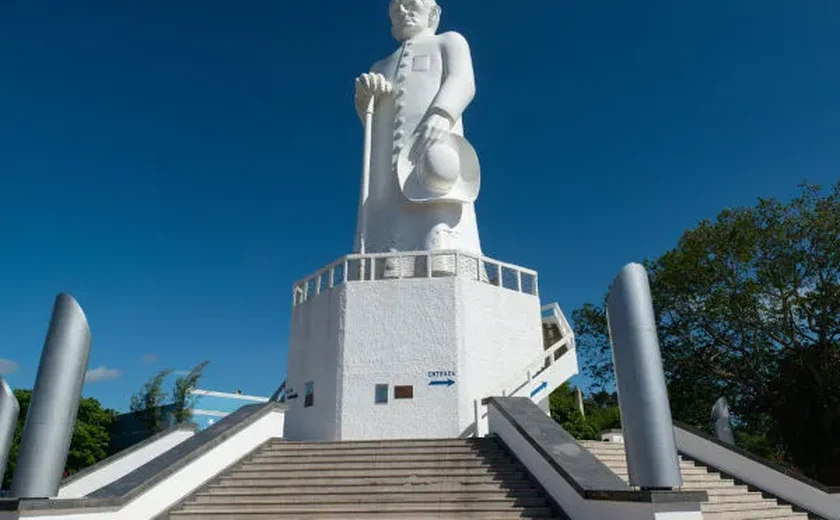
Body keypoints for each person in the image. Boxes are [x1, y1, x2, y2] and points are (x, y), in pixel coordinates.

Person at [353, 0, 482, 258]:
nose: (402, 11)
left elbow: (463, 80)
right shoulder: (379, 66)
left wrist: (442, 113)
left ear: (432, 12)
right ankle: (385, 260)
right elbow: (370, 120)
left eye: (411, 4)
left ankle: (441, 255)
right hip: (388, 160)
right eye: (396, 8)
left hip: (434, 142)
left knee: (437, 201)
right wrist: (365, 96)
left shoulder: (449, 41)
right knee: (389, 212)